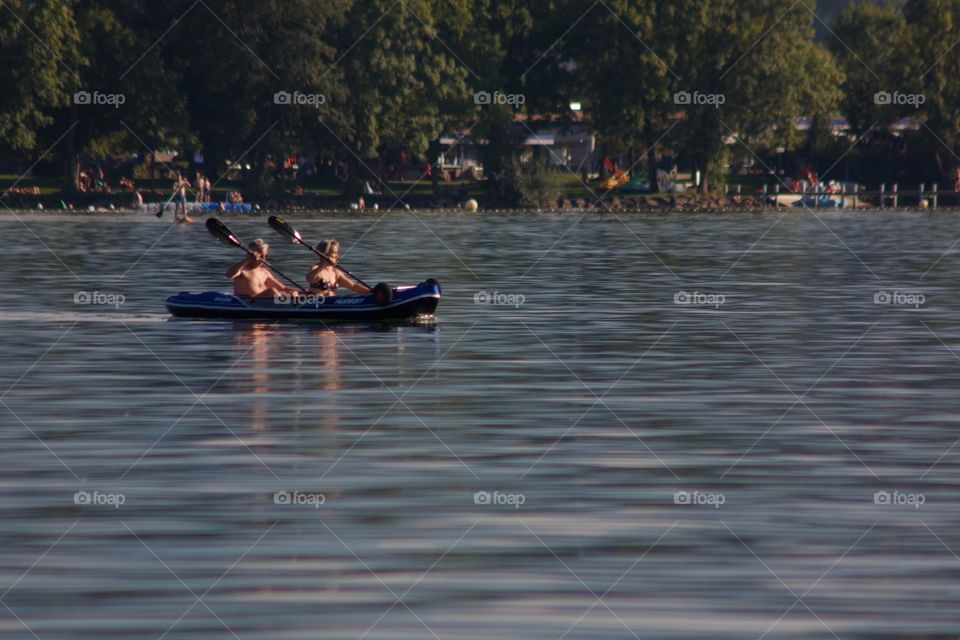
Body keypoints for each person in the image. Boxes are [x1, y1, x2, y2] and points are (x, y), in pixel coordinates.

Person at [225, 239, 301, 299]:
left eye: (265, 256)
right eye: (261, 256)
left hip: (264, 301)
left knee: (292, 292)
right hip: (248, 301)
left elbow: (282, 288)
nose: (264, 259)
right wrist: (247, 260)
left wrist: (304, 293)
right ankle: (288, 303)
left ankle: (297, 302)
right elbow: (229, 275)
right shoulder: (243, 270)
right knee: (271, 291)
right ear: (251, 255)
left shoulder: (264, 272)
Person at [306, 239, 371, 296]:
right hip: (317, 303)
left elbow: (353, 286)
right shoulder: (315, 268)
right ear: (325, 254)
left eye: (337, 253)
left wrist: (372, 292)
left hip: (332, 304)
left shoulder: (336, 273)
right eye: (334, 253)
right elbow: (309, 279)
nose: (337, 256)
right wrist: (323, 265)